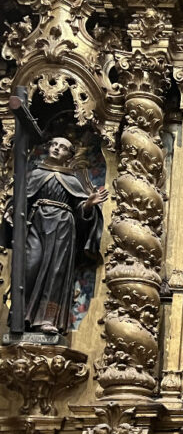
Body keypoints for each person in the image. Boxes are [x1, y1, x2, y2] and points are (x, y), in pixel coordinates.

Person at [24, 136, 107, 335]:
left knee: (56, 273)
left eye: (62, 147)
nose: (56, 149)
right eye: (53, 145)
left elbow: (82, 212)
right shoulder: (34, 174)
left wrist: (88, 204)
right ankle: (21, 315)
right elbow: (21, 201)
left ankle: (48, 318)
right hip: (36, 225)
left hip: (63, 228)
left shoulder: (72, 180)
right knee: (29, 267)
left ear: (69, 156)